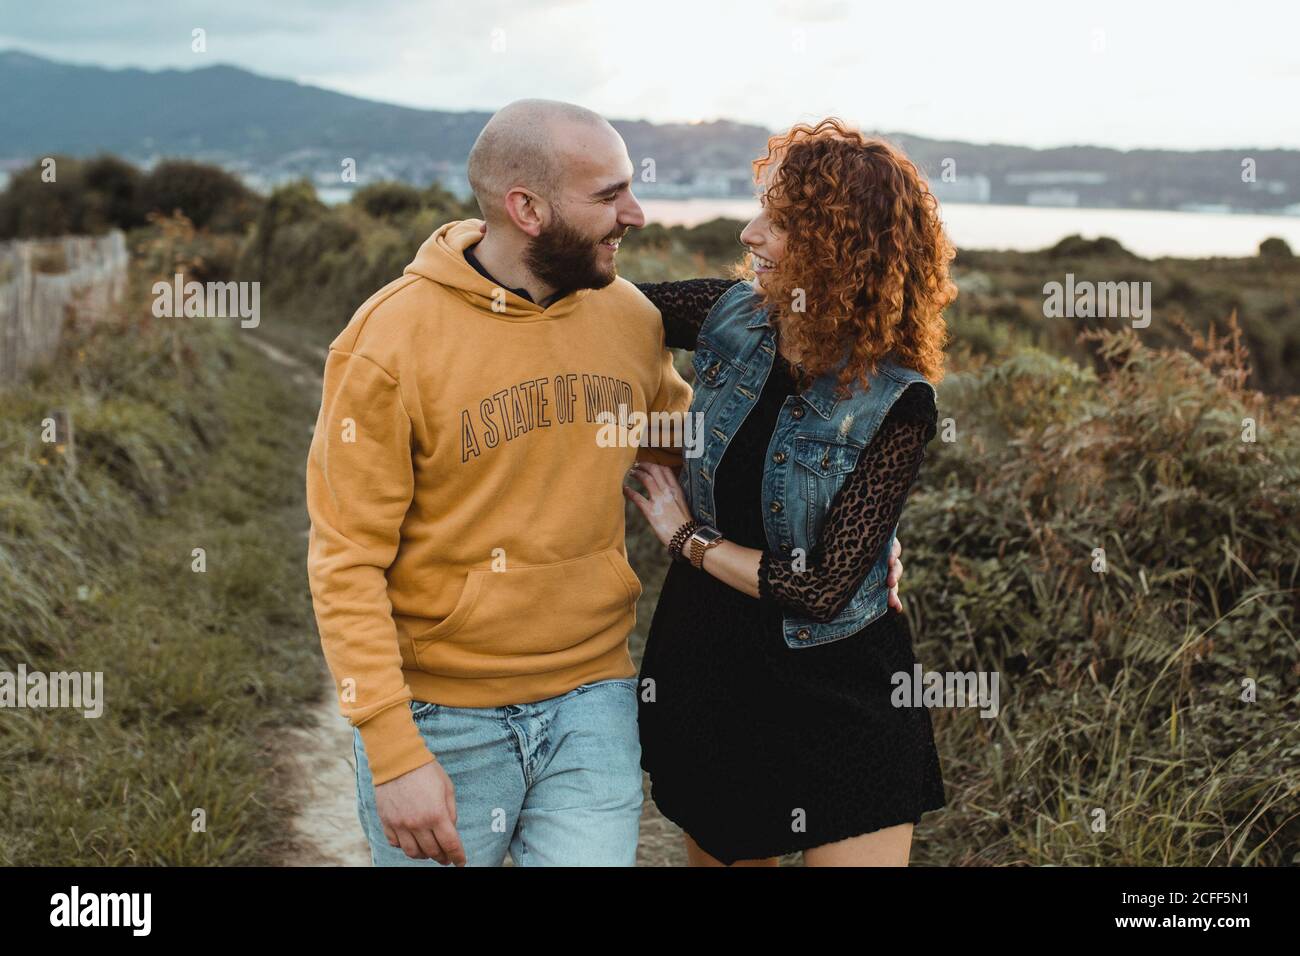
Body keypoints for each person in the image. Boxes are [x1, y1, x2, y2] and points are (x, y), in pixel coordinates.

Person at [304, 99, 695, 866]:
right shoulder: (388, 343)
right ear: (528, 209)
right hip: (441, 717)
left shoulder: (630, 319)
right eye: (609, 195)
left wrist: (836, 537)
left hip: (594, 698)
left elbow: (689, 454)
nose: (636, 214)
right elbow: (346, 562)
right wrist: (393, 750)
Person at [624, 119, 954, 866]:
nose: (750, 233)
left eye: (777, 220)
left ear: (838, 247)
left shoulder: (896, 399)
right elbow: (599, 309)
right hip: (713, 671)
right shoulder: (728, 317)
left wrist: (686, 540)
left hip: (846, 685)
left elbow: (824, 588)